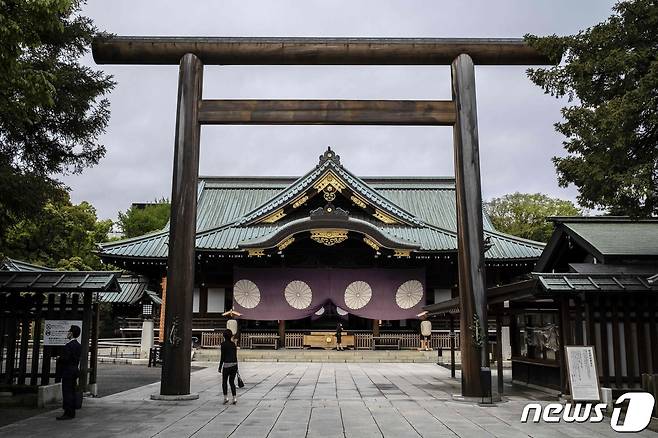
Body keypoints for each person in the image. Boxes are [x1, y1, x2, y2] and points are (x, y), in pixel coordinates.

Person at [56, 325, 82, 420]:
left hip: (68, 370)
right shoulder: (78, 346)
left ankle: (68, 412)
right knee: (72, 390)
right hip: (75, 369)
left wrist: (59, 359)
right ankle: (72, 411)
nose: (67, 333)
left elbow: (65, 359)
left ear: (71, 333)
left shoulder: (68, 346)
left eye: (68, 331)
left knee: (67, 391)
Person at [218, 329, 239, 404]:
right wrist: (237, 367)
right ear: (231, 336)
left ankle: (225, 397)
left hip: (226, 365)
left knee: (224, 381)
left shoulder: (223, 344)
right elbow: (235, 356)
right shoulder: (233, 344)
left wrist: (220, 366)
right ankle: (234, 398)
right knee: (232, 382)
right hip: (234, 364)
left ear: (224, 336)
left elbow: (222, 356)